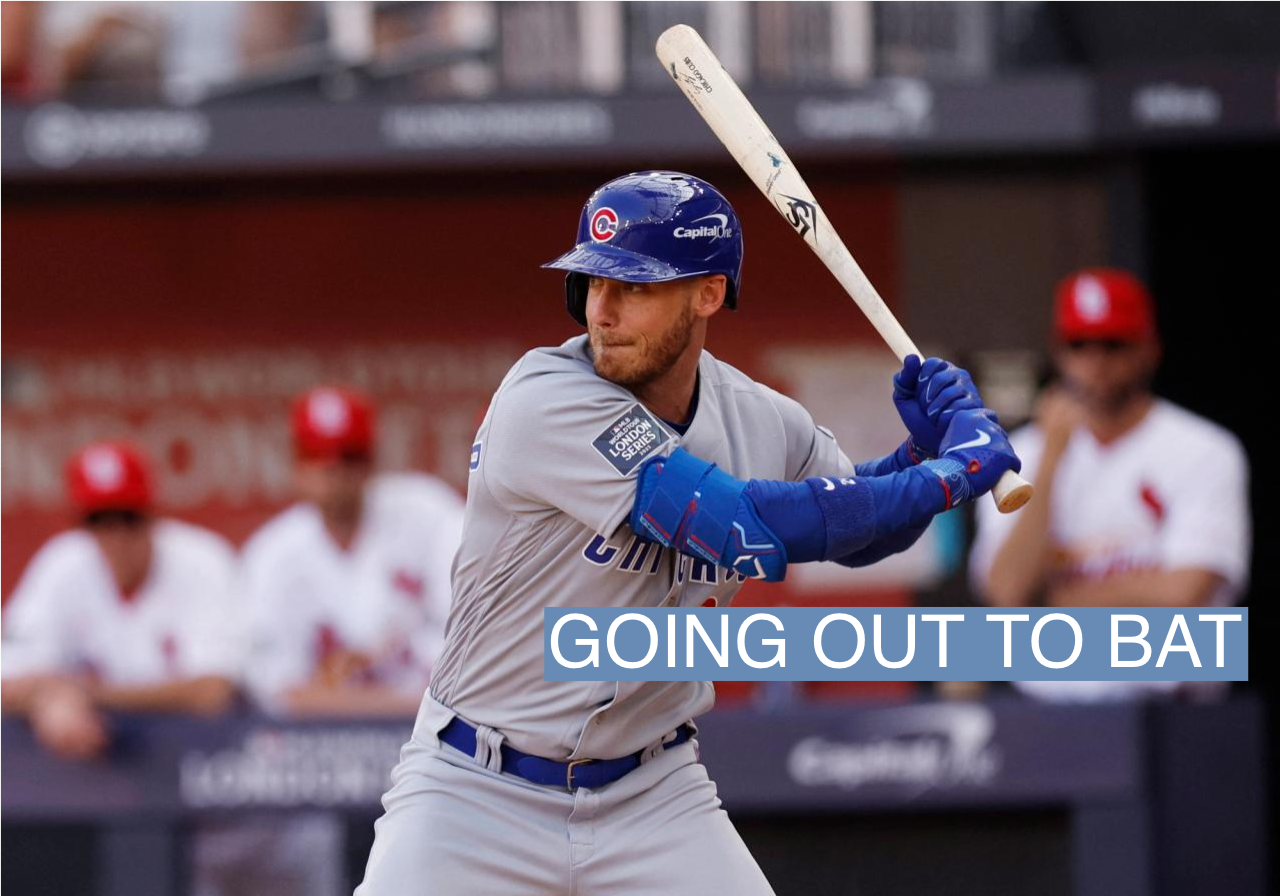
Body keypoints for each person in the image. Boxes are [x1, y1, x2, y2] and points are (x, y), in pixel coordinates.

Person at [354, 170, 1021, 895]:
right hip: (476, 789)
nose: (601, 312)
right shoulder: (542, 398)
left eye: (633, 287)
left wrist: (918, 457)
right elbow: (735, 523)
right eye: (590, 284)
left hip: (651, 792)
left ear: (708, 293)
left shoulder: (764, 420)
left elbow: (857, 532)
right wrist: (952, 474)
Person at [969, 267, 1250, 702]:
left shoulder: (1205, 449)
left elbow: (1184, 592)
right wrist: (1051, 459)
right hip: (1052, 716)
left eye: (1114, 344)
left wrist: (1061, 603)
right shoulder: (1019, 455)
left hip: (1174, 713)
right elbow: (1007, 592)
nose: (1095, 361)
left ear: (1149, 350)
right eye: (1080, 344)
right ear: (1059, 352)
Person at [0, 440, 241, 760]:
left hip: (202, 763)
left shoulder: (202, 559)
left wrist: (82, 694)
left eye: (128, 518)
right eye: (100, 521)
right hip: (95, 776)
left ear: (152, 513)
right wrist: (47, 699)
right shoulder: (63, 563)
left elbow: (213, 692)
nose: (116, 536)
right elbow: (7, 678)